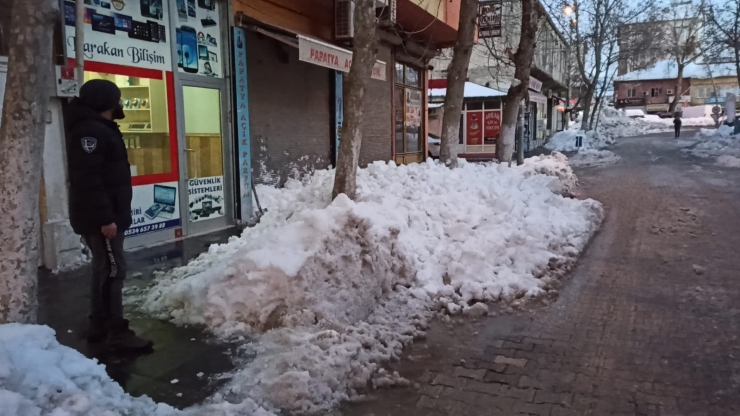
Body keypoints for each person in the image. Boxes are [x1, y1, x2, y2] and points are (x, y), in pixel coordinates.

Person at [65, 79, 152, 351]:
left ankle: (99, 325)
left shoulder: (99, 128)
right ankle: (115, 331)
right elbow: (89, 180)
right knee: (114, 270)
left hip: (104, 215)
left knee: (103, 268)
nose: (121, 103)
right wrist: (106, 218)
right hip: (102, 218)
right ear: (106, 102)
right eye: (117, 99)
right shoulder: (90, 132)